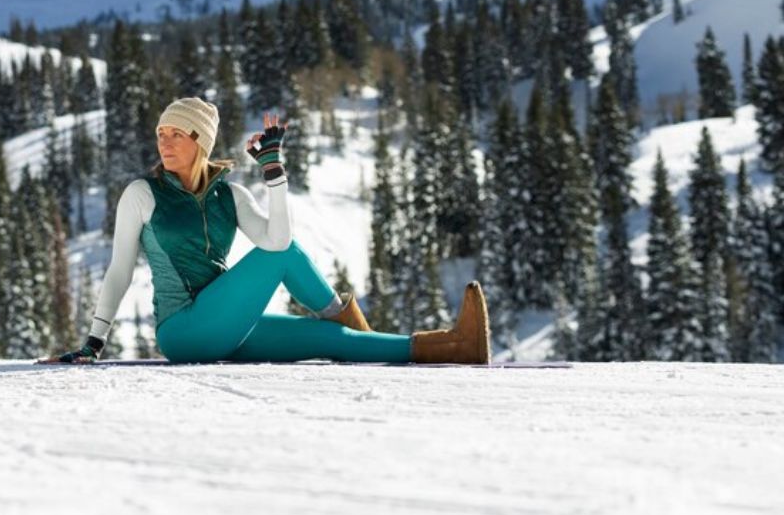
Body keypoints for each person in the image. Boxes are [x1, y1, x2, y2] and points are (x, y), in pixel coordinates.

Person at [38, 96, 490, 365]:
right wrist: (94, 342)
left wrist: (275, 174)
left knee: (332, 340)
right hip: (183, 330)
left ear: (201, 142)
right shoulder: (143, 193)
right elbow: (119, 271)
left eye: (177, 133)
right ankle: (343, 314)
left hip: (227, 327)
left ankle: (456, 346)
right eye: (161, 133)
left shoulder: (230, 197)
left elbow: (278, 239)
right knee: (280, 254)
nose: (165, 141)